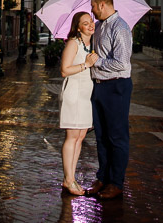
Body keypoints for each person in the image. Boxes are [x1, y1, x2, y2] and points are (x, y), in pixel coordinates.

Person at [85, 0, 132, 199]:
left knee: (117, 137)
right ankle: (103, 177)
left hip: (116, 87)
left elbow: (122, 62)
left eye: (93, 7)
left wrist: (98, 62)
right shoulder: (100, 26)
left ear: (102, 5)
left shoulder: (120, 27)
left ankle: (116, 182)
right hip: (99, 86)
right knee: (101, 136)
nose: (92, 11)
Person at [58, 11, 99, 195]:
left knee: (81, 137)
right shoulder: (73, 43)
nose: (90, 25)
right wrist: (86, 65)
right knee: (72, 137)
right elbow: (64, 70)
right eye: (85, 23)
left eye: (91, 21)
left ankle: (71, 178)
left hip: (85, 96)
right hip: (73, 95)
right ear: (78, 27)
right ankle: (68, 179)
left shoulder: (90, 45)